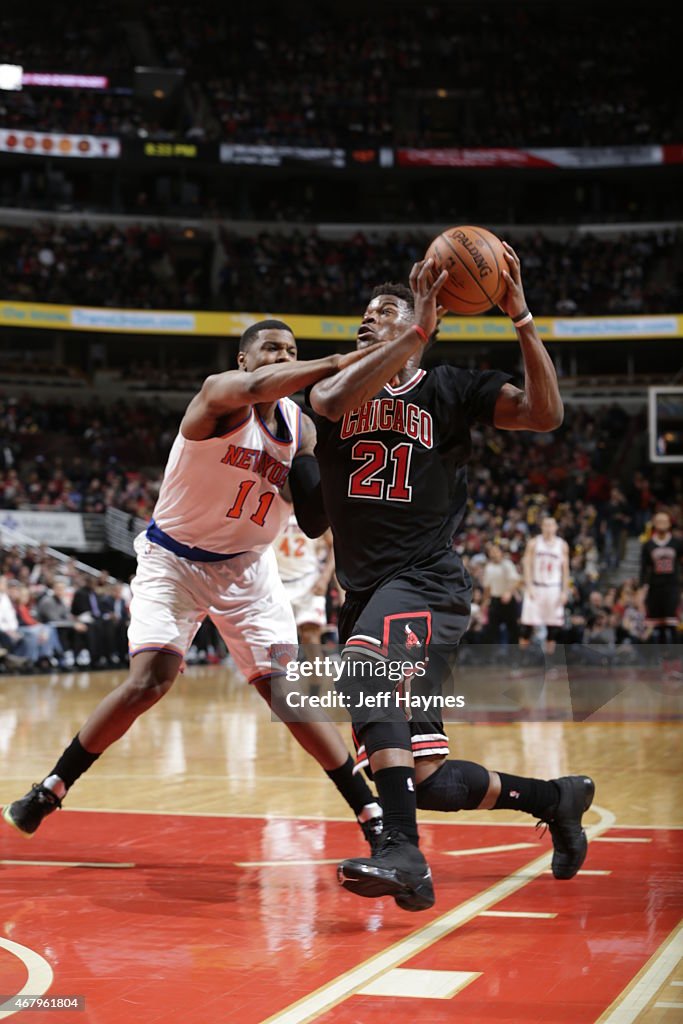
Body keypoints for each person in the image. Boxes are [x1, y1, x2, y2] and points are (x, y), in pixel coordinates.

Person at [2, 320, 382, 847]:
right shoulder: (220, 394)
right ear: (244, 358)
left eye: (292, 350)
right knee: (150, 682)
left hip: (247, 568)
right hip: (174, 561)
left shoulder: (301, 427)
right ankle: (51, 787)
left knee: (287, 695)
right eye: (271, 348)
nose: (283, 355)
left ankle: (370, 812)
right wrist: (342, 364)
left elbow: (314, 520)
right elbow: (254, 391)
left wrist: (344, 467)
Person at [308, 249, 594, 912]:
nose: (364, 323)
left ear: (422, 325)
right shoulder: (331, 393)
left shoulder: (450, 389)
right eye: (363, 317)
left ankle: (402, 854)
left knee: (363, 670)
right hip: (366, 596)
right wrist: (414, 330)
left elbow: (544, 414)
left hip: (426, 583)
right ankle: (555, 799)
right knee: (426, 778)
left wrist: (520, 316)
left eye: (384, 315)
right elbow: (327, 397)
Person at [275, 515, 335, 645]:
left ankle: (316, 665)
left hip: (309, 581)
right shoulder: (270, 506)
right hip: (278, 582)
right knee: (280, 641)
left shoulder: (310, 509)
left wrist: (324, 578)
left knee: (310, 636)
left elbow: (334, 545)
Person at [520, 517, 570, 655]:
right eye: (546, 525)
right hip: (536, 586)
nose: (548, 528)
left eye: (551, 525)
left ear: (556, 527)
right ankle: (522, 657)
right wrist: (528, 585)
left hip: (554, 587)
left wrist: (565, 591)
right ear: (541, 527)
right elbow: (527, 565)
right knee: (527, 625)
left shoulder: (562, 545)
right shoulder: (534, 543)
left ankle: (550, 659)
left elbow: (565, 570)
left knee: (553, 627)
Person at [639, 511, 682, 645]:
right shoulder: (648, 545)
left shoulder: (677, 543)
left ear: (669, 524)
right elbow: (643, 568)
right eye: (659, 521)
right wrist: (642, 586)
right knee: (659, 624)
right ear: (654, 524)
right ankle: (662, 656)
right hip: (655, 587)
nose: (661, 524)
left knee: (672, 622)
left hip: (672, 586)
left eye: (664, 521)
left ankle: (676, 656)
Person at [482, 543, 522, 646]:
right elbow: (487, 587)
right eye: (491, 551)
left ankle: (515, 657)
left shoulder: (507, 564)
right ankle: (492, 657)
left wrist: (508, 592)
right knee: (492, 630)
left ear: (501, 553)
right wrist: (484, 603)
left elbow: (517, 581)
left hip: (509, 600)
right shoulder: (488, 567)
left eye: (496, 551)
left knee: (513, 629)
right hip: (495, 600)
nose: (493, 553)